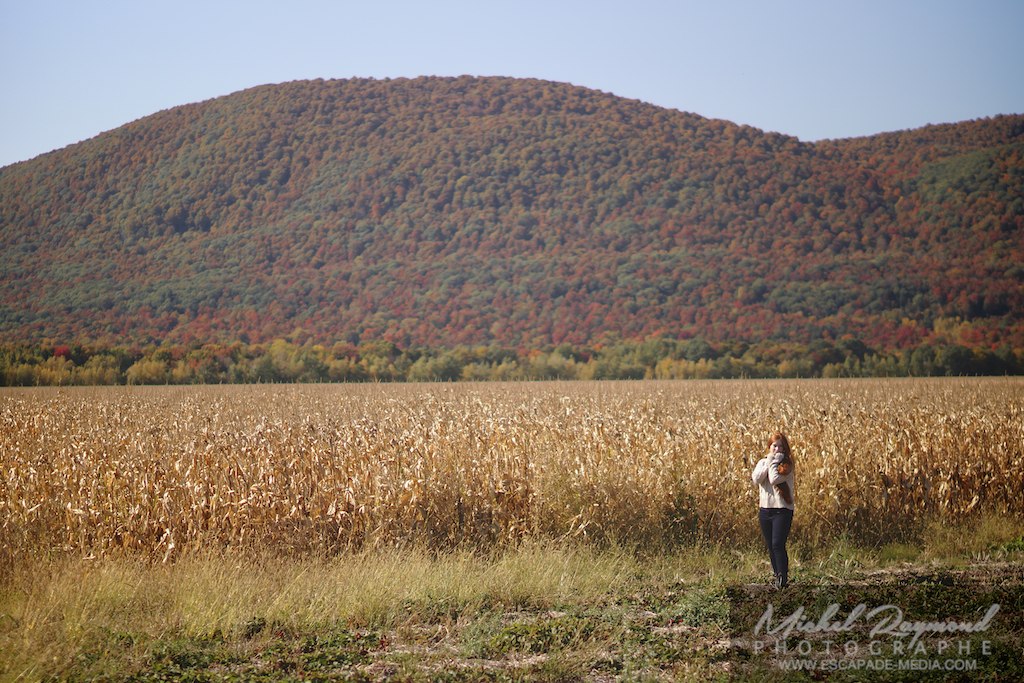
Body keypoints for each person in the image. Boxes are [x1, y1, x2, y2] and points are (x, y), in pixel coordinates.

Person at [751, 432, 795, 589]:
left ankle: (783, 578)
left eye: (780, 446)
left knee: (778, 544)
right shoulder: (763, 462)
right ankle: (777, 576)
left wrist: (773, 462)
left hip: (782, 510)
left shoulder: (786, 465)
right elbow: (756, 479)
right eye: (774, 446)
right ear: (769, 446)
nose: (777, 449)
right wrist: (768, 462)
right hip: (765, 509)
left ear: (785, 448)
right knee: (770, 545)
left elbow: (774, 478)